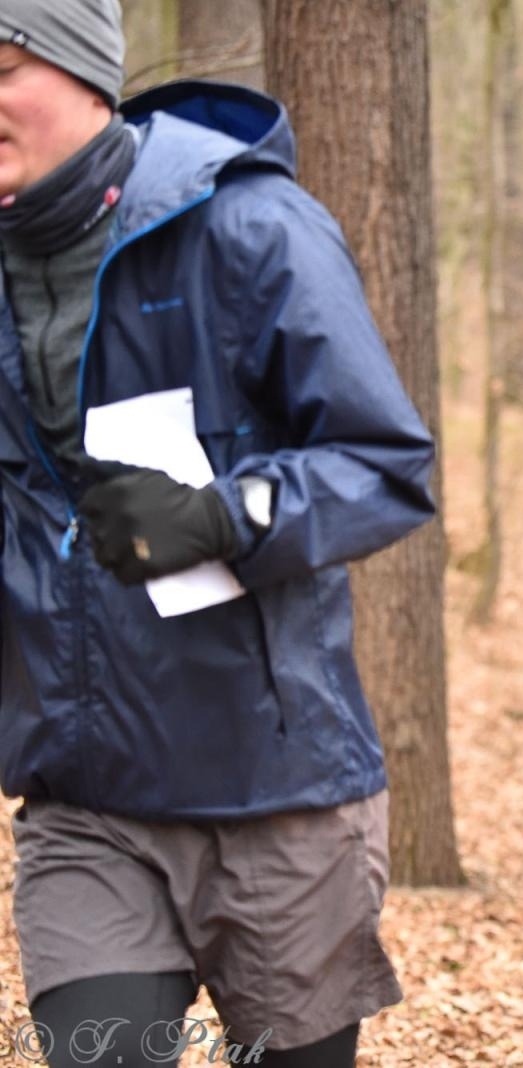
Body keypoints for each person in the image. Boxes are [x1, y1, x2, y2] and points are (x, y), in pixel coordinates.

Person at [0, 5, 435, 1066]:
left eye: (0, 69)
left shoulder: (250, 226)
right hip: (84, 797)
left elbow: (386, 466)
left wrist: (223, 516)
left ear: (84, 71)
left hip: (278, 794)